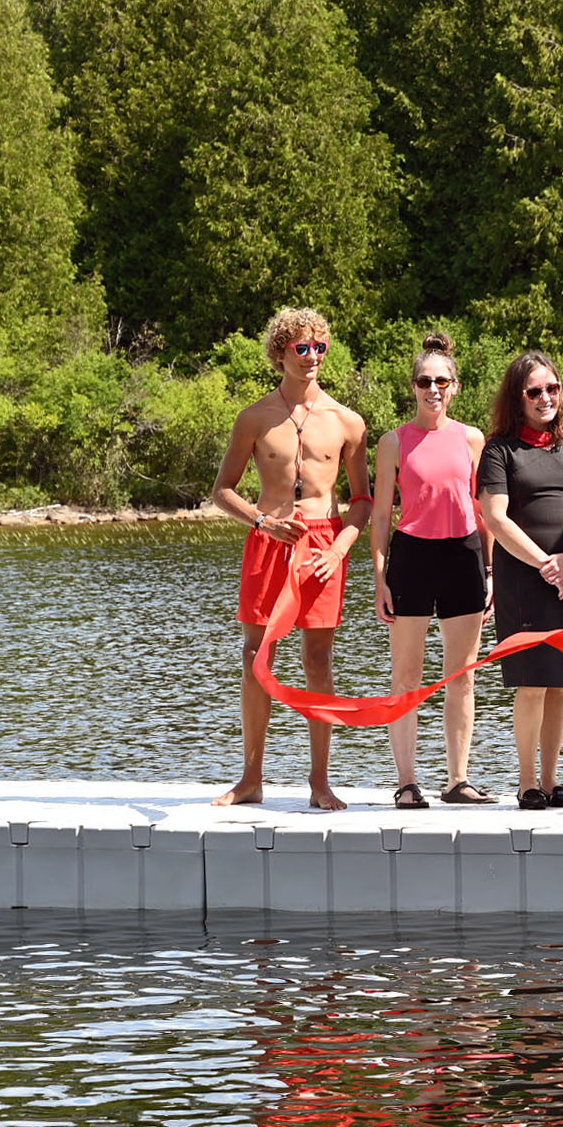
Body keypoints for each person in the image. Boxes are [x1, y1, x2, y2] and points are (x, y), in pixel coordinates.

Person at [210, 307, 370, 811]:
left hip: (323, 544)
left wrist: (340, 548)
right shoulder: (254, 418)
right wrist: (262, 521)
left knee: (317, 661)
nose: (312, 356)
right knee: (255, 657)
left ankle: (319, 781)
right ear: (280, 353)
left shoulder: (347, 421)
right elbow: (222, 490)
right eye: (302, 348)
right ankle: (250, 778)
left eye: (319, 347)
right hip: (269, 538)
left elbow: (362, 501)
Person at [478, 350, 563, 811]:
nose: (545, 397)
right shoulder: (500, 450)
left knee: (559, 682)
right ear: (518, 398)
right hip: (524, 579)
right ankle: (527, 782)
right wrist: (545, 565)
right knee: (531, 681)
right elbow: (495, 518)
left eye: (552, 388)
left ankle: (552, 781)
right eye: (535, 391)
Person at [368, 336, 493, 810]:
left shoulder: (472, 439)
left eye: (442, 381)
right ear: (413, 387)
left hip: (464, 555)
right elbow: (381, 516)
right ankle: (406, 783)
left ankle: (458, 780)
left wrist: (491, 571)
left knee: (462, 676)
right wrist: (380, 578)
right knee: (407, 676)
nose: (433, 389)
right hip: (412, 558)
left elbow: (484, 513)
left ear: (455, 386)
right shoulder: (392, 442)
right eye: (425, 381)